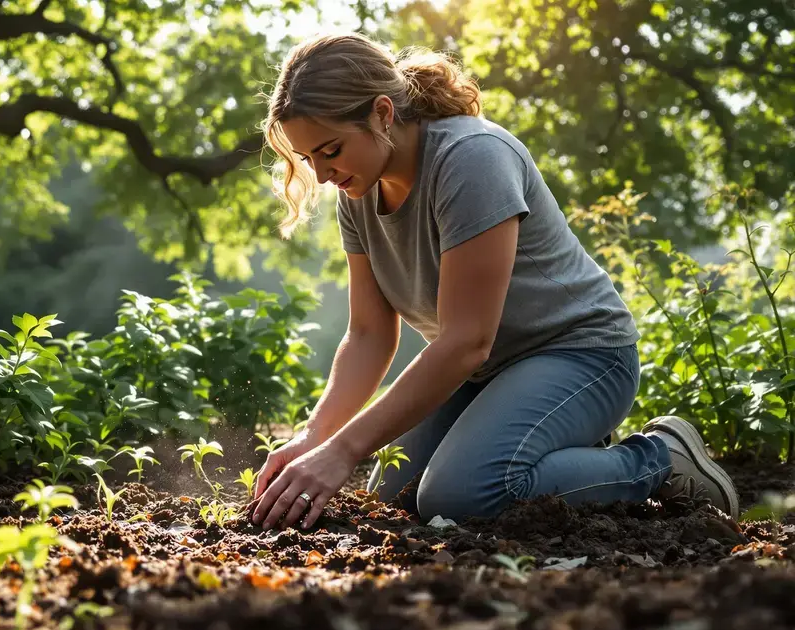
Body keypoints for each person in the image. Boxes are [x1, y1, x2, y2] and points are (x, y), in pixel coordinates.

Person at [245, 32, 740, 531]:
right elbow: (370, 335)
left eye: (331, 149)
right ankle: (558, 445)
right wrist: (315, 436)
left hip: (583, 355)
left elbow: (466, 341)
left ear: (382, 113)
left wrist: (345, 449)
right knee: (395, 492)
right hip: (486, 375)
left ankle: (658, 461)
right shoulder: (357, 195)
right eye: (309, 159)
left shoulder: (471, 158)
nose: (324, 175)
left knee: (461, 495)